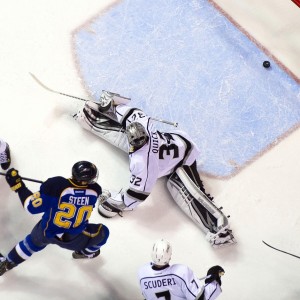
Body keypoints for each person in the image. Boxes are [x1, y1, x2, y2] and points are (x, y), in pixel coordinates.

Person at [74, 91, 236, 248]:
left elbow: (136, 196)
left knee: (182, 189)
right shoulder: (142, 125)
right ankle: (92, 119)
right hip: (179, 139)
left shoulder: (143, 164)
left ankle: (220, 231)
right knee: (121, 131)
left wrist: (112, 203)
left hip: (184, 159)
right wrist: (109, 104)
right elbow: (126, 107)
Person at [0, 161, 110, 276]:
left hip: (47, 232)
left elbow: (30, 207)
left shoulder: (56, 185)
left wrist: (19, 186)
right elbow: (76, 193)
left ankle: (7, 263)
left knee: (30, 245)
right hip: (73, 238)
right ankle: (85, 253)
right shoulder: (95, 190)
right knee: (103, 233)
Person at [138, 239, 225, 300]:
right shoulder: (181, 272)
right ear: (170, 255)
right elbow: (200, 298)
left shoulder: (142, 274)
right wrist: (214, 281)